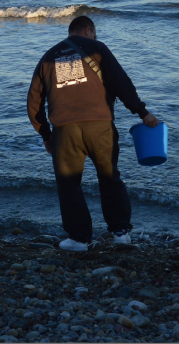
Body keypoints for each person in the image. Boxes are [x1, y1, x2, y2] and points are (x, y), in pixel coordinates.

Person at [27, 15, 158, 252]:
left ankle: (78, 239)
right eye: (94, 34)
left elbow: (34, 103)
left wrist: (46, 135)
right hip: (100, 126)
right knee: (109, 177)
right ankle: (119, 233)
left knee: (69, 184)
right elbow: (121, 82)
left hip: (65, 130)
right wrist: (142, 112)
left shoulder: (48, 57)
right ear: (88, 30)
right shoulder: (97, 48)